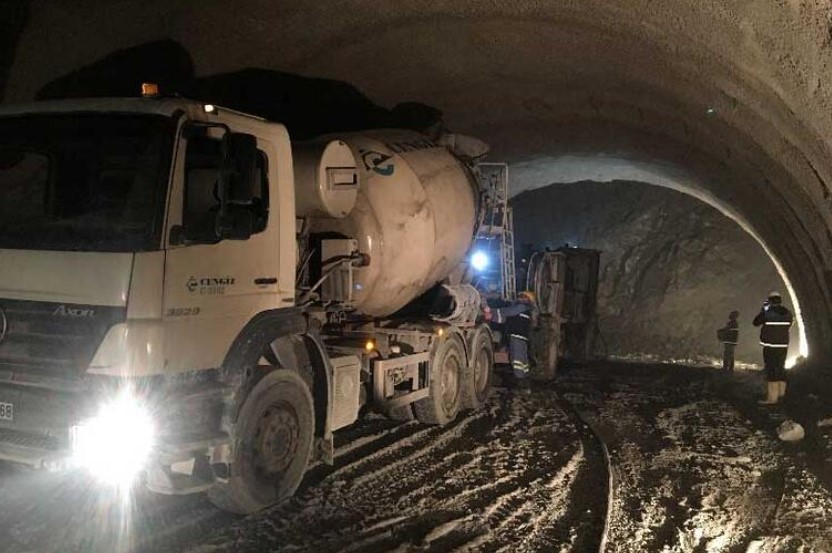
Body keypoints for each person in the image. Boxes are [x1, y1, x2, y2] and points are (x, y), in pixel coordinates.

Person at [752, 291, 793, 404]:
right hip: (783, 345)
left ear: (770, 301)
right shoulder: (788, 313)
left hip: (770, 346)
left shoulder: (767, 313)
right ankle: (781, 394)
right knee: (781, 368)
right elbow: (789, 325)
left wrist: (763, 310)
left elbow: (755, 322)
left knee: (771, 369)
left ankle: (772, 398)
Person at [493, 291, 537, 390]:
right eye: (520, 296)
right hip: (519, 337)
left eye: (522, 296)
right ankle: (524, 379)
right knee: (522, 360)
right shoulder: (525, 309)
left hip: (518, 336)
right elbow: (505, 318)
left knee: (517, 360)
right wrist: (493, 316)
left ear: (527, 299)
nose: (519, 297)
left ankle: (520, 381)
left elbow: (507, 312)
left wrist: (490, 311)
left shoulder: (522, 307)